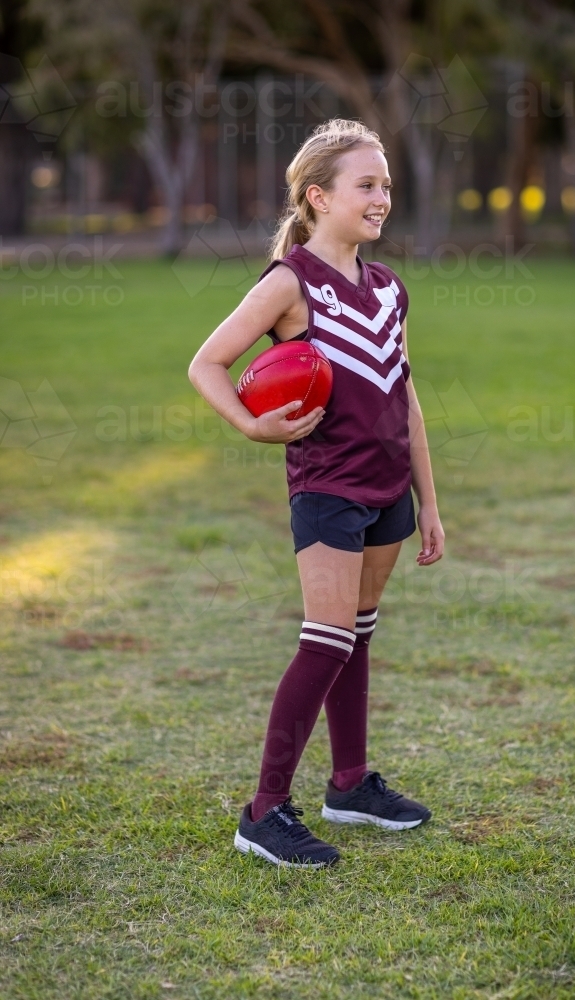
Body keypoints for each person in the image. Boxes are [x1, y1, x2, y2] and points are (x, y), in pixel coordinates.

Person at [188, 118, 445, 868]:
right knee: (325, 637)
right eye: (366, 185)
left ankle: (349, 784)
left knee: (357, 633)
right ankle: (263, 811)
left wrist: (427, 500)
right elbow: (207, 363)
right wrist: (251, 428)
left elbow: (406, 397)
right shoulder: (287, 282)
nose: (381, 199)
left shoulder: (389, 289)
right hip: (326, 487)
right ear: (317, 197)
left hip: (387, 488)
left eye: (386, 186)